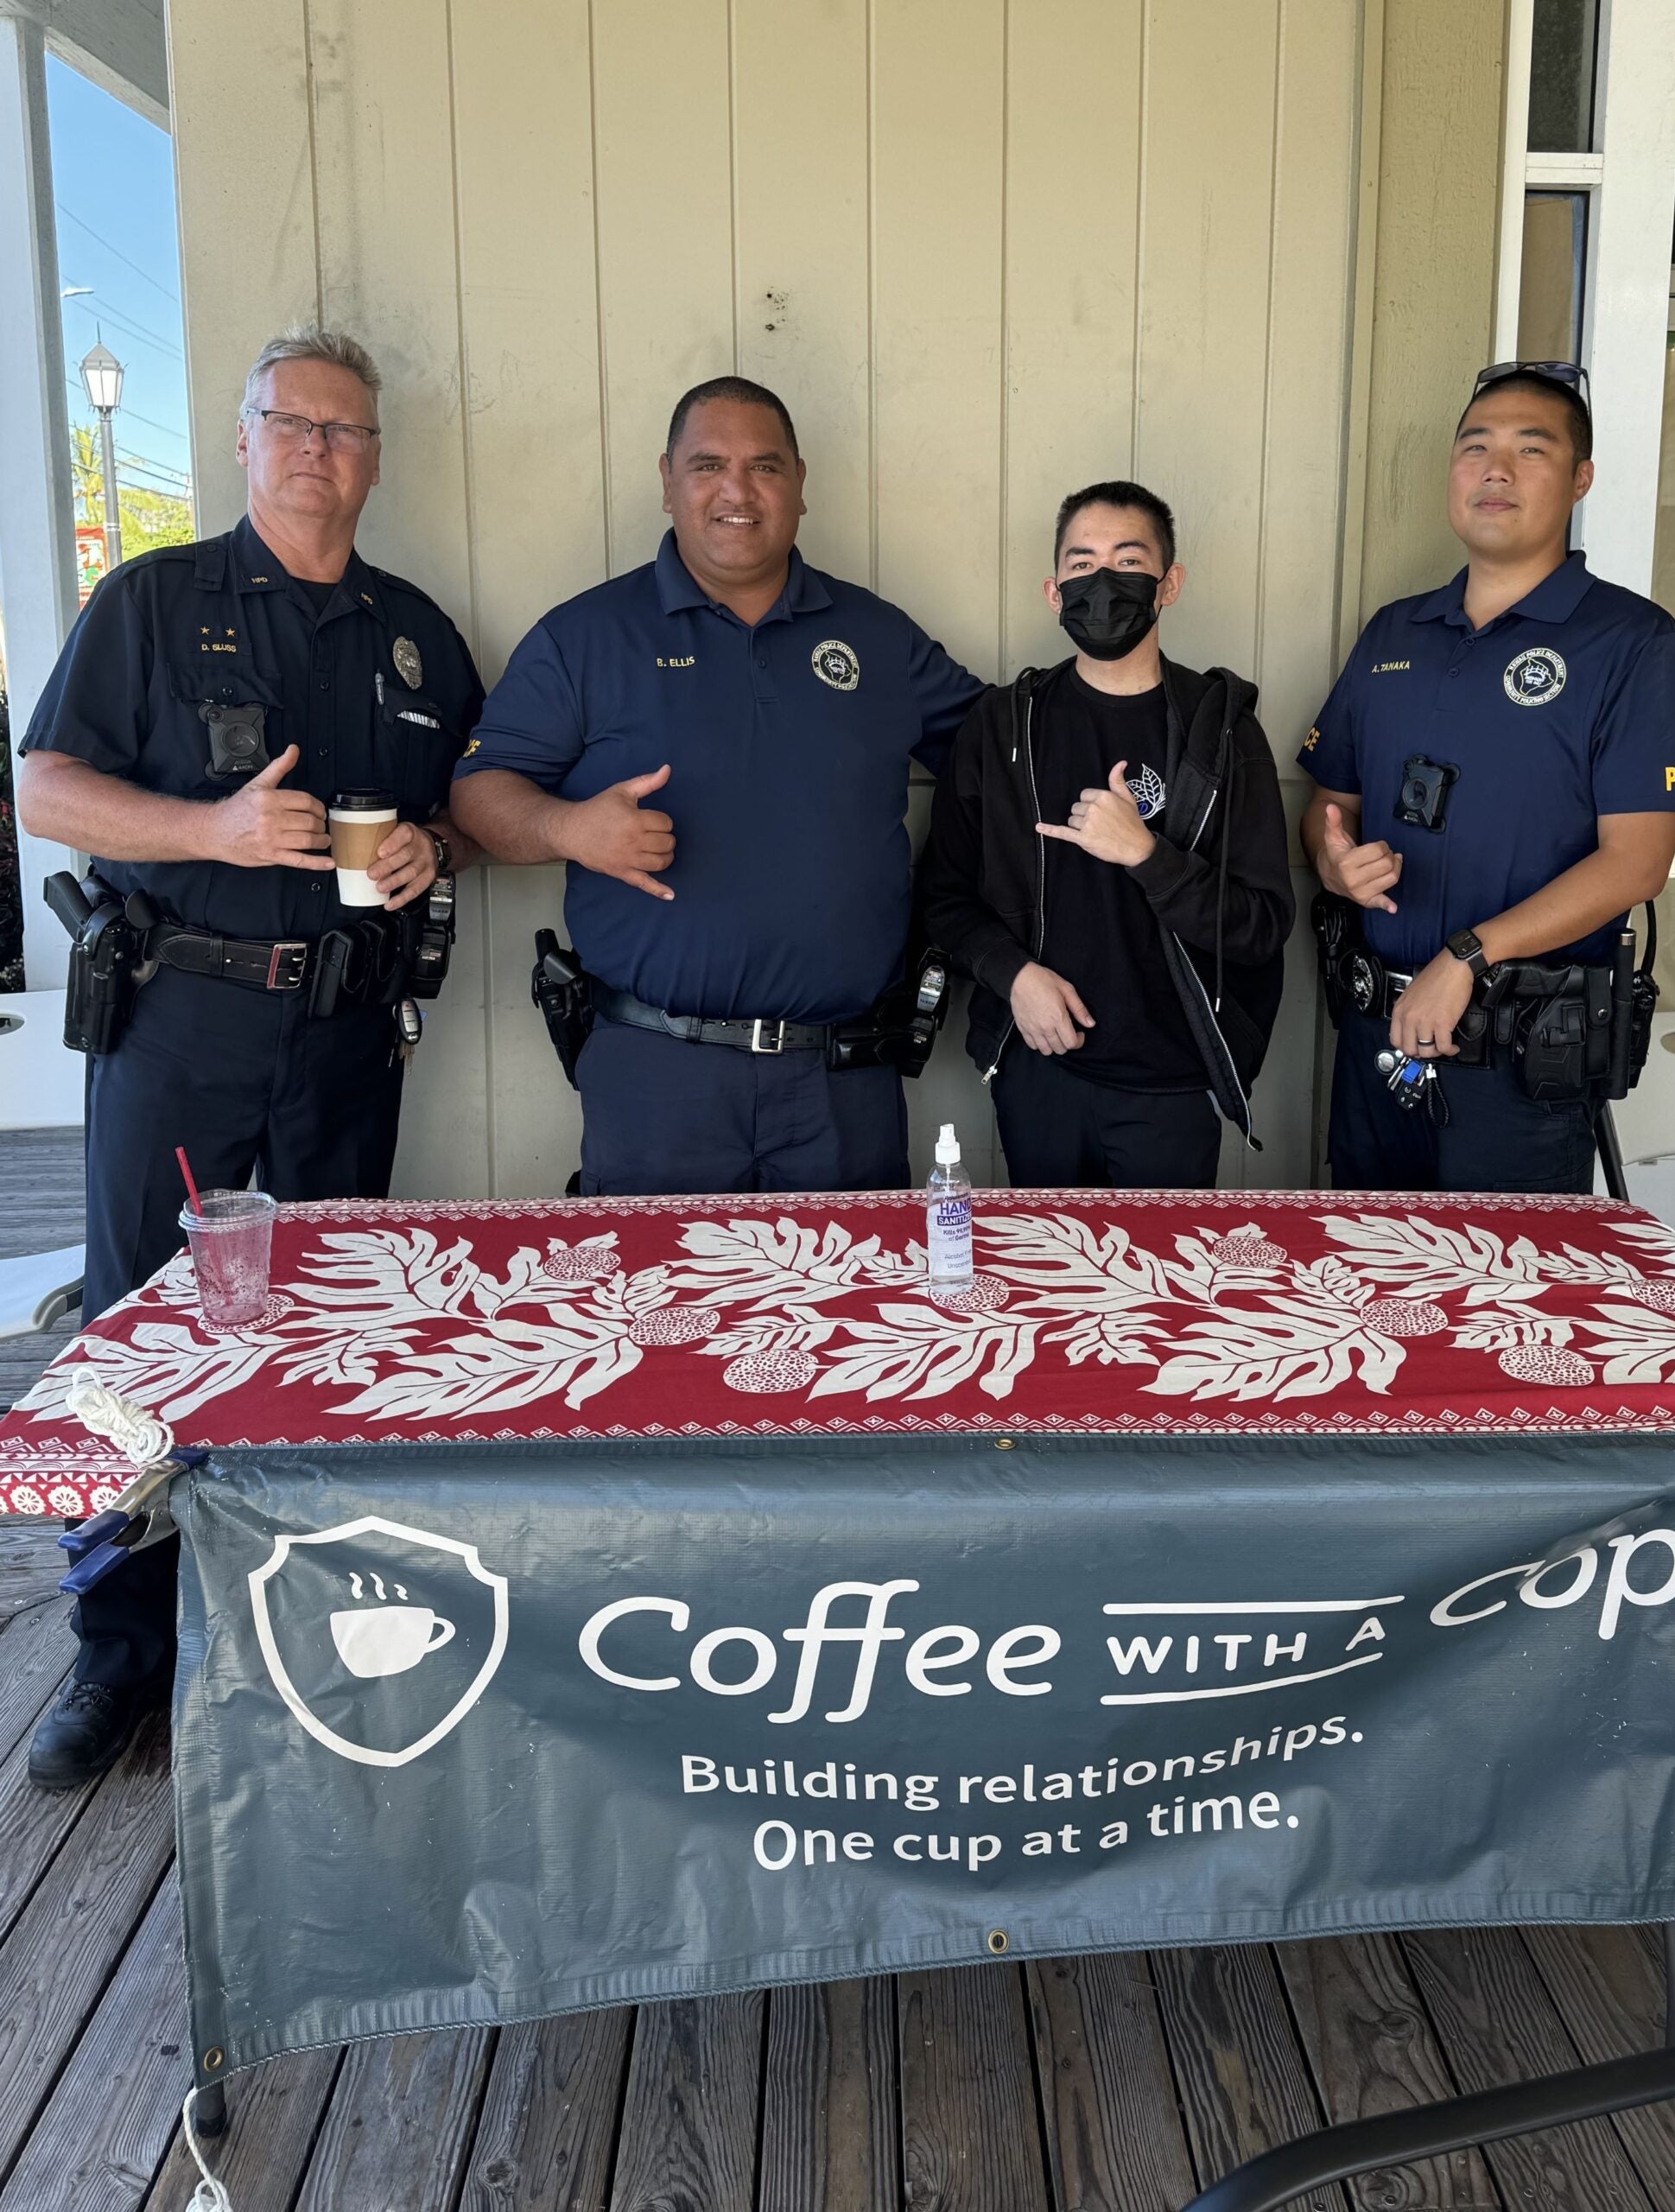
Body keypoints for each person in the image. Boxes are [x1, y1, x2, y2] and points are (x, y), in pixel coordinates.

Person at [17, 326, 485, 1788]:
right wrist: (211, 831)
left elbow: (473, 809)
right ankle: (120, 1654)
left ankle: (305, 1638)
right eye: (292, 424)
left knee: (329, 1338)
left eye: (346, 432)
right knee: (132, 1342)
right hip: (184, 1027)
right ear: (243, 440)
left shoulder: (413, 637)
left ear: (374, 458)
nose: (317, 452)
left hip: (348, 1033)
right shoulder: (151, 602)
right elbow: (43, 787)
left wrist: (431, 846)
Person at [450, 375, 983, 1194]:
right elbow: (481, 788)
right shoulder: (585, 637)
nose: (736, 490)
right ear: (666, 481)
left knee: (848, 1315)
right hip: (659, 1075)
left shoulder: (876, 637)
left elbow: (1003, 760)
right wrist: (569, 831)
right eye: (707, 465)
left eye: (764, 467)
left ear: (800, 485)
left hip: (845, 1078)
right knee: (661, 1314)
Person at [1299, 362, 1675, 1193]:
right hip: (1374, 1032)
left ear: (1579, 478)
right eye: (1475, 447)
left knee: (1503, 1309)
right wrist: (1329, 860)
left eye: (1531, 449)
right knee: (1361, 1290)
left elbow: (1635, 864)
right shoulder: (1391, 632)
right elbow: (1327, 805)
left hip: (1521, 1064)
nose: (1495, 470)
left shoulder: (1633, 645)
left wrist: (1468, 956)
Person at [918, 480, 1293, 1185]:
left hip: (1172, 1083)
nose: (1103, 583)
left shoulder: (1221, 734)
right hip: (1039, 1071)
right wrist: (1014, 977)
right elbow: (944, 896)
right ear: (1053, 590)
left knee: (1161, 1290)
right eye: (1082, 564)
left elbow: (1261, 925)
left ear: (1168, 583)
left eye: (1127, 562)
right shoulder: (1004, 725)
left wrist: (1147, 856)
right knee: (1047, 1284)